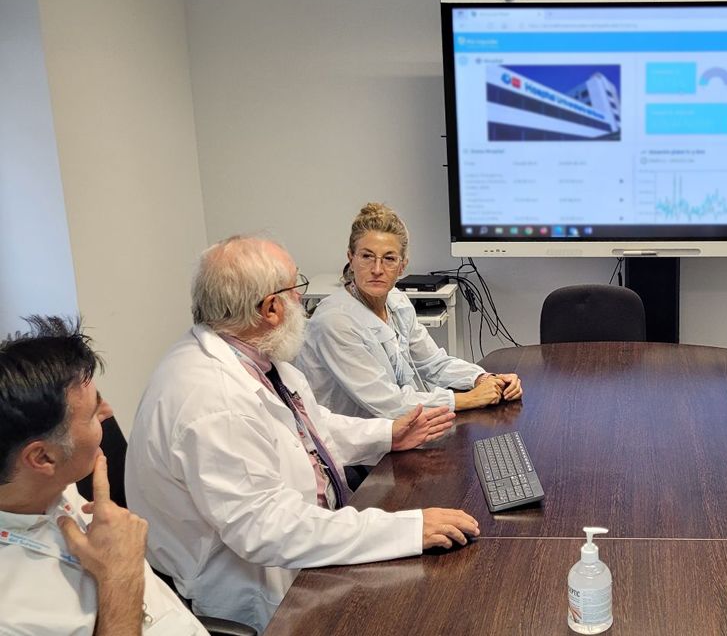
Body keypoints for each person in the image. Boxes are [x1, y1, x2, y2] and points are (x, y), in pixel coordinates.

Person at [125, 236, 480, 632]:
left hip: (307, 534)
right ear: (270, 308)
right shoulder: (214, 402)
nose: (301, 300)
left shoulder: (252, 356)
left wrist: (388, 434)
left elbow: (313, 429)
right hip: (255, 581)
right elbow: (272, 530)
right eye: (297, 289)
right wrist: (409, 529)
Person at [0, 316, 207, 635]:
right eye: (95, 412)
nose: (108, 412)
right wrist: (119, 576)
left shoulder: (53, 489)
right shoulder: (12, 615)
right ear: (43, 457)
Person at [294, 202, 522, 420]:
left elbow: (433, 363)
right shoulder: (334, 321)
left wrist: (484, 379)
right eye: (367, 256)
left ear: (402, 266)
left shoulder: (397, 302)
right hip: (352, 450)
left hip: (397, 431)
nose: (376, 269)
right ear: (350, 259)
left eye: (389, 259)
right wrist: (466, 399)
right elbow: (387, 404)